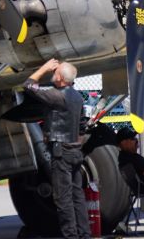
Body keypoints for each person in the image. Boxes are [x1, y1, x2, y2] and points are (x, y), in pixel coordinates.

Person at [24, 59, 89, 239]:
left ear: (60, 77)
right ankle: (84, 235)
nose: (53, 72)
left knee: (62, 199)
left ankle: (71, 236)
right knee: (77, 196)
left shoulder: (57, 96)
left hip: (62, 153)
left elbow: (28, 85)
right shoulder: (76, 96)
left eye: (55, 71)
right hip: (75, 151)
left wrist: (43, 68)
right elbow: (82, 126)